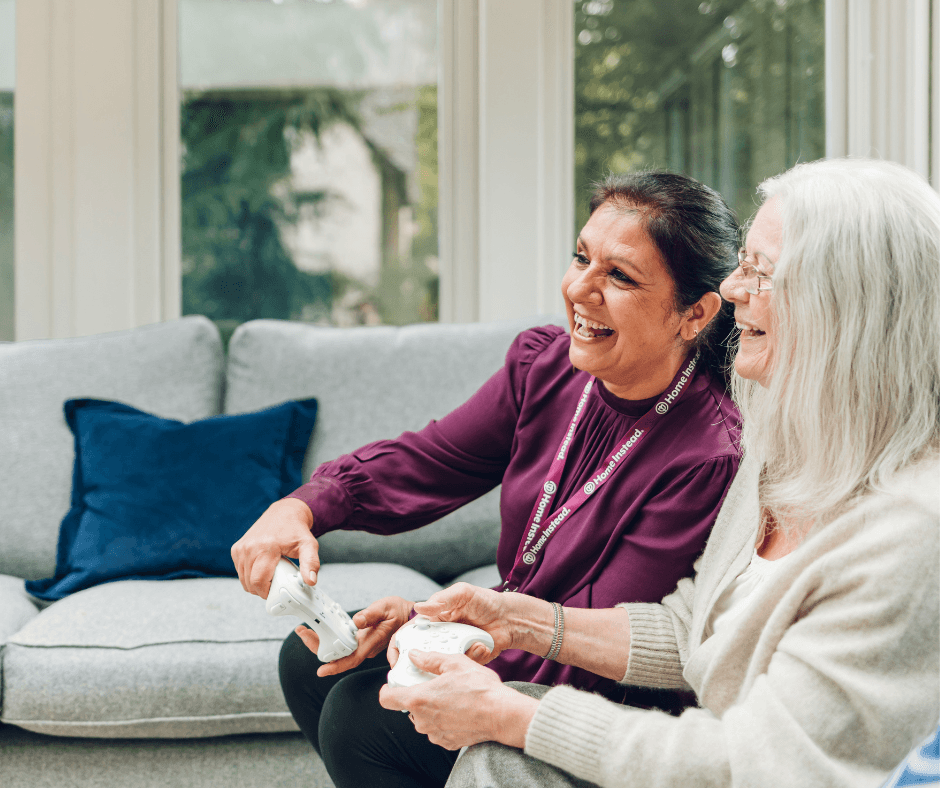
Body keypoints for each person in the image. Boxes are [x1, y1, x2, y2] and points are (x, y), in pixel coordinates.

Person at [377, 157, 940, 788]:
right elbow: (689, 629)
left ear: (849, 310)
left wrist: (512, 714)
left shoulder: (911, 532)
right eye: (741, 265)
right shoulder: (782, 454)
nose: (731, 291)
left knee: (494, 754)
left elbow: (763, 764)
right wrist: (512, 619)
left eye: (761, 272)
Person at [232, 171, 743, 786]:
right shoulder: (546, 365)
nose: (580, 289)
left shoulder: (707, 456)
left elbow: (594, 636)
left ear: (696, 313)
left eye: (620, 276)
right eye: (581, 257)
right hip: (512, 636)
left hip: (603, 696)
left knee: (363, 719)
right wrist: (302, 507)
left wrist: (432, 631)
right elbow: (429, 461)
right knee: (318, 657)